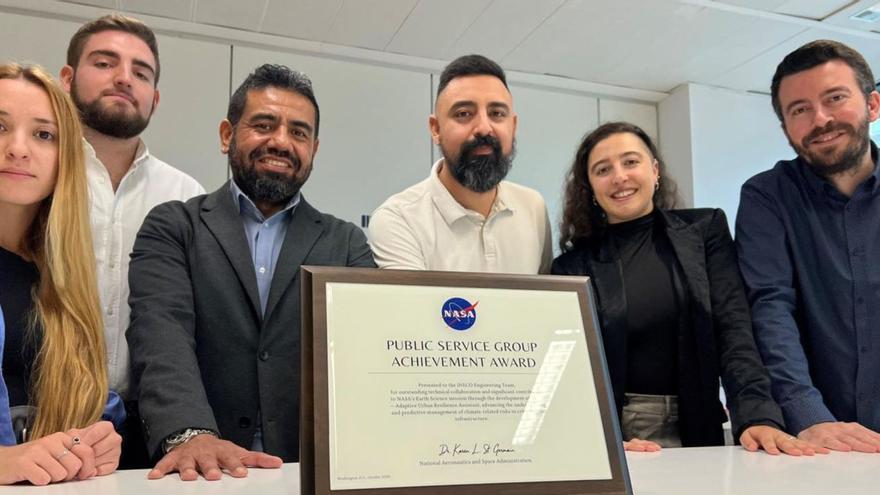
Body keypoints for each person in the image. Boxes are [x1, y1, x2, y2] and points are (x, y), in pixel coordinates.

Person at [127, 63, 376, 481]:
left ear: (314, 149)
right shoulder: (174, 226)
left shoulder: (346, 243)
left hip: (308, 468)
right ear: (228, 135)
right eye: (263, 125)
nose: (281, 141)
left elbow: (366, 353)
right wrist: (191, 433)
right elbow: (160, 332)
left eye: (298, 132)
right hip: (199, 468)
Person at [552, 122, 826, 456]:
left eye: (631, 162)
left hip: (701, 419)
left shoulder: (704, 230)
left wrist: (757, 415)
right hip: (623, 435)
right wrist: (600, 436)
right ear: (590, 187)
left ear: (654, 170)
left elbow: (734, 330)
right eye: (603, 169)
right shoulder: (571, 266)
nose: (619, 176)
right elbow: (570, 369)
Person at [59, 14, 205, 468]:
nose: (124, 78)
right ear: (67, 80)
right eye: (105, 63)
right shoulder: (38, 178)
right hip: (45, 413)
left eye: (141, 73)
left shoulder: (186, 196)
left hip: (152, 424)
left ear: (154, 99)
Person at [736, 39, 880, 453]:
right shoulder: (767, 197)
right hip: (815, 443)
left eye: (835, 98)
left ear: (872, 105)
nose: (821, 119)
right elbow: (770, 305)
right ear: (786, 129)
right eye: (799, 110)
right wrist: (809, 415)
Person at [0, 63, 122, 485]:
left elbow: (84, 407)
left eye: (43, 134)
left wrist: (95, 440)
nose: (17, 148)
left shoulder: (63, 280)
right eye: (0, 127)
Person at [370, 54, 552, 274]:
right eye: (464, 114)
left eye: (497, 113)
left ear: (513, 126)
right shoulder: (398, 219)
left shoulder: (533, 207)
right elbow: (416, 309)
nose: (484, 128)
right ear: (435, 129)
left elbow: (544, 303)